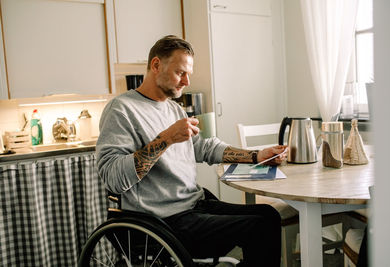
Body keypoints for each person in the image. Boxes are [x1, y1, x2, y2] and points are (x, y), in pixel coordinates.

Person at [96, 35, 287, 266]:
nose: (186, 81)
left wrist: (256, 156)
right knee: (259, 228)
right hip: (162, 220)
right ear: (156, 65)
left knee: (268, 215)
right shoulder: (122, 110)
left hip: (193, 204)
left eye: (188, 74)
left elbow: (203, 147)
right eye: (180, 73)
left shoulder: (174, 109)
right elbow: (113, 178)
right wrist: (166, 139)